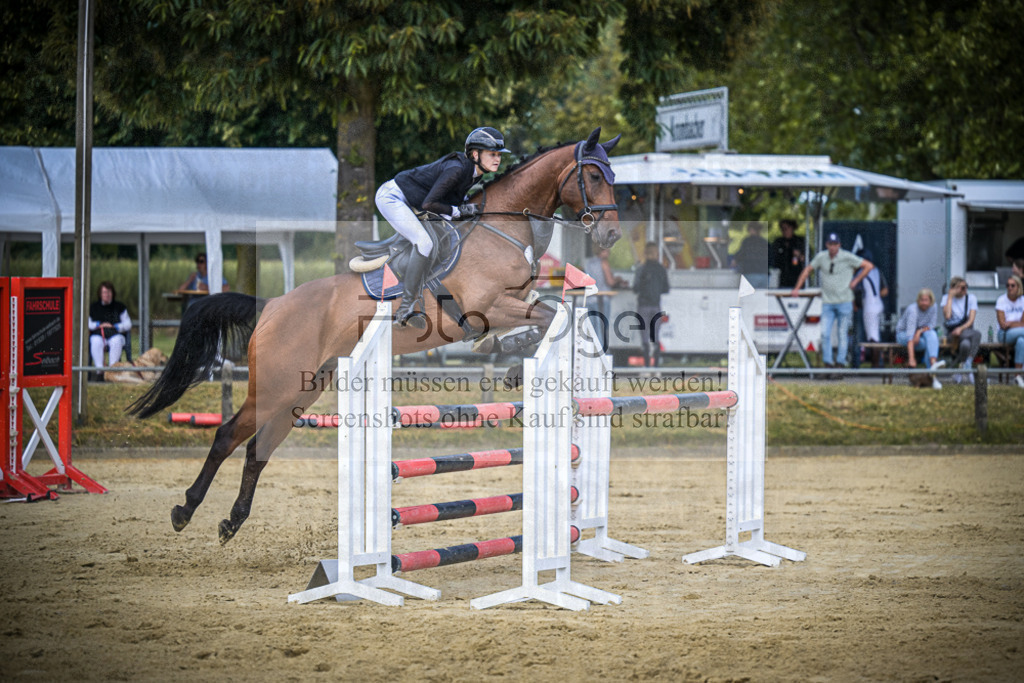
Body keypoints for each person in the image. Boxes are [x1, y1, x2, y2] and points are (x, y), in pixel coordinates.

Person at [375, 126, 510, 328]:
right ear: (475, 154)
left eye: (499, 154)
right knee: (424, 243)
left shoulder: (476, 173)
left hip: (413, 202)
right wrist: (458, 211)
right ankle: (405, 309)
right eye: (492, 154)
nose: (497, 159)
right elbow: (429, 204)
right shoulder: (456, 169)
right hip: (393, 198)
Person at [790, 232, 873, 370]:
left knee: (842, 333)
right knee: (825, 333)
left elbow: (868, 265)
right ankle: (828, 363)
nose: (833, 247)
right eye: (830, 244)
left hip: (845, 301)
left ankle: (840, 363)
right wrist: (797, 288)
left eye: (835, 244)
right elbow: (808, 270)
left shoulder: (846, 256)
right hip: (828, 302)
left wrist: (856, 280)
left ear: (839, 245)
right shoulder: (821, 257)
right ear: (826, 245)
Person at [896, 288, 947, 390]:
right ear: (918, 300)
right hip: (903, 334)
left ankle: (933, 365)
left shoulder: (933, 307)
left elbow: (931, 325)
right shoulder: (913, 310)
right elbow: (910, 337)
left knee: (932, 335)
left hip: (920, 332)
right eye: (921, 300)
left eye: (926, 300)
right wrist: (912, 359)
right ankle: (932, 376)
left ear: (931, 301)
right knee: (926, 343)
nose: (923, 302)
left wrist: (919, 332)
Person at [632, 241, 670, 367]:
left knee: (644, 338)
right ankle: (656, 366)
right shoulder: (661, 269)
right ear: (657, 254)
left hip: (643, 305)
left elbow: (635, 288)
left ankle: (647, 365)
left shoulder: (641, 269)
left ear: (645, 253)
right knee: (656, 336)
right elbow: (666, 289)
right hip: (656, 305)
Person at [850, 248, 888, 368]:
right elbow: (885, 291)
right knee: (875, 334)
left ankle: (875, 365)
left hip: (868, 306)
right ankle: (877, 363)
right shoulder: (877, 270)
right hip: (877, 303)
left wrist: (855, 303)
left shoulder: (861, 272)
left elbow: (857, 289)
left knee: (872, 337)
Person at [585, 246, 628, 351]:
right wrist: (617, 279)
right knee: (602, 328)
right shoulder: (604, 263)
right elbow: (610, 282)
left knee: (592, 329)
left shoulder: (589, 263)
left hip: (590, 299)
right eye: (607, 250)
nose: (609, 252)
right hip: (602, 300)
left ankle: (592, 352)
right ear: (602, 251)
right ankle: (602, 353)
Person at [940, 276, 981, 384]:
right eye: (961, 288)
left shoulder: (971, 298)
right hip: (952, 333)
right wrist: (950, 297)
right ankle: (966, 368)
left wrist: (960, 329)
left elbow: (971, 320)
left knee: (966, 344)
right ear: (953, 288)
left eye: (966, 287)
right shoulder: (946, 298)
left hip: (966, 330)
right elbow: (947, 316)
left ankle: (965, 365)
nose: (965, 290)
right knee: (976, 335)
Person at [88, 281, 132, 380]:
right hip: (99, 335)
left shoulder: (120, 307)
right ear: (100, 294)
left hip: (115, 334)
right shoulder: (93, 307)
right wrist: (99, 325)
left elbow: (128, 324)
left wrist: (115, 326)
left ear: (112, 293)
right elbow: (88, 323)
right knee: (95, 341)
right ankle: (100, 372)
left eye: (109, 292)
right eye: (104, 292)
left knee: (116, 341)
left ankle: (112, 371)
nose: (107, 295)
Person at [995, 274, 1024, 388]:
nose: (1010, 288)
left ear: (1018, 287)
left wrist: (1011, 323)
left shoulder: (1023, 300)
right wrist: (1016, 324)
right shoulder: (1001, 300)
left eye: (1013, 285)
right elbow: (1002, 325)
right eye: (1008, 285)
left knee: (1022, 341)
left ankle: (1017, 376)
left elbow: (1023, 324)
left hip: (1020, 333)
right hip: (1004, 334)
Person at [732, 223, 770, 288]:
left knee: (750, 297)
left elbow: (741, 254)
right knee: (761, 296)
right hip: (764, 275)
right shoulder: (764, 242)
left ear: (751, 230)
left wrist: (735, 260)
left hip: (750, 273)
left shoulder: (747, 241)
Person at [771, 219, 805, 288]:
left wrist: (799, 255)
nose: (784, 231)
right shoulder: (778, 242)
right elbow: (773, 258)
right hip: (783, 277)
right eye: (782, 229)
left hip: (797, 277)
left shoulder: (800, 241)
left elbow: (807, 259)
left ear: (792, 228)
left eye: (786, 228)